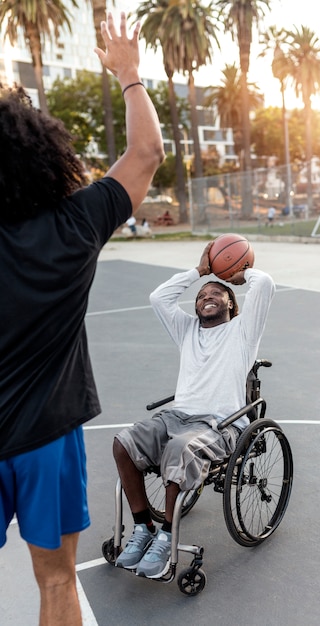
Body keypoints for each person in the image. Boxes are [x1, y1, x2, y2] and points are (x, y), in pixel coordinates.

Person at [0, 12, 164, 626]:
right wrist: (128, 73)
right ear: (45, 155)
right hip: (46, 440)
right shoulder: (75, 224)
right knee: (57, 583)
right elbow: (146, 152)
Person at [113, 243, 275, 578]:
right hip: (177, 416)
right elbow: (159, 297)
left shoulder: (243, 333)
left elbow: (265, 284)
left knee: (178, 449)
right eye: (202, 295)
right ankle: (144, 528)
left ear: (232, 303)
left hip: (220, 424)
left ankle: (167, 537)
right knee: (123, 444)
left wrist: (238, 272)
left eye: (217, 293)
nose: (207, 296)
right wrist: (200, 272)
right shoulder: (186, 330)